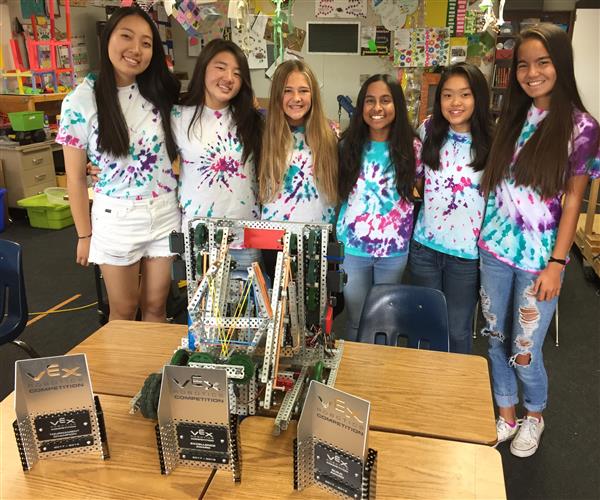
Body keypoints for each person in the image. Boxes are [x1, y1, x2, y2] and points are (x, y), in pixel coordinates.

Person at [478, 24, 599, 457]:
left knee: (524, 348)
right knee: (494, 338)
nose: (531, 73)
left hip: (538, 260)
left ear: (560, 64)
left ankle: (535, 416)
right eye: (523, 65)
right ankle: (507, 415)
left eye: (542, 62)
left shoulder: (582, 127)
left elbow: (572, 203)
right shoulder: (511, 119)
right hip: (493, 250)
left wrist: (558, 264)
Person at [57, 6, 181, 322]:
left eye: (146, 43)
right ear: (107, 37)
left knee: (156, 306)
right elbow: (74, 179)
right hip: (117, 218)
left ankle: (152, 373)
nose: (135, 50)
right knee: (123, 311)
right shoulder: (80, 100)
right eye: (127, 36)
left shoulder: (160, 91)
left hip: (165, 211)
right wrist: (84, 235)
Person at [409, 63, 492, 354]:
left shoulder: (492, 143)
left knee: (457, 330)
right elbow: (418, 177)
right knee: (426, 325)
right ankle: (425, 390)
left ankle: (455, 394)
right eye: (448, 95)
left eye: (465, 95)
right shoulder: (429, 129)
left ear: (478, 98)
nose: (455, 103)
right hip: (424, 248)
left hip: (466, 256)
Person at [337, 74, 423, 341]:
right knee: (356, 319)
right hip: (353, 248)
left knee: (385, 320)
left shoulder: (413, 147)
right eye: (370, 101)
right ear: (361, 106)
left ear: (397, 105)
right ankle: (352, 379)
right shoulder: (347, 145)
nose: (377, 108)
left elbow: (418, 188)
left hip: (393, 250)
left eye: (385, 100)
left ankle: (379, 375)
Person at [175, 39, 263, 274]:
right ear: (203, 67)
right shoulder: (178, 116)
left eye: (237, 72)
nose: (228, 78)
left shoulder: (252, 121)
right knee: (201, 308)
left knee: (247, 308)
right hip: (198, 236)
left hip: (245, 235)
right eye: (221, 67)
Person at [259, 60, 338, 223]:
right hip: (273, 236)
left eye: (303, 91)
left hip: (319, 236)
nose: (296, 98)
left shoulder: (330, 134)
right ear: (277, 95)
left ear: (313, 95)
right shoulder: (263, 133)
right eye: (288, 91)